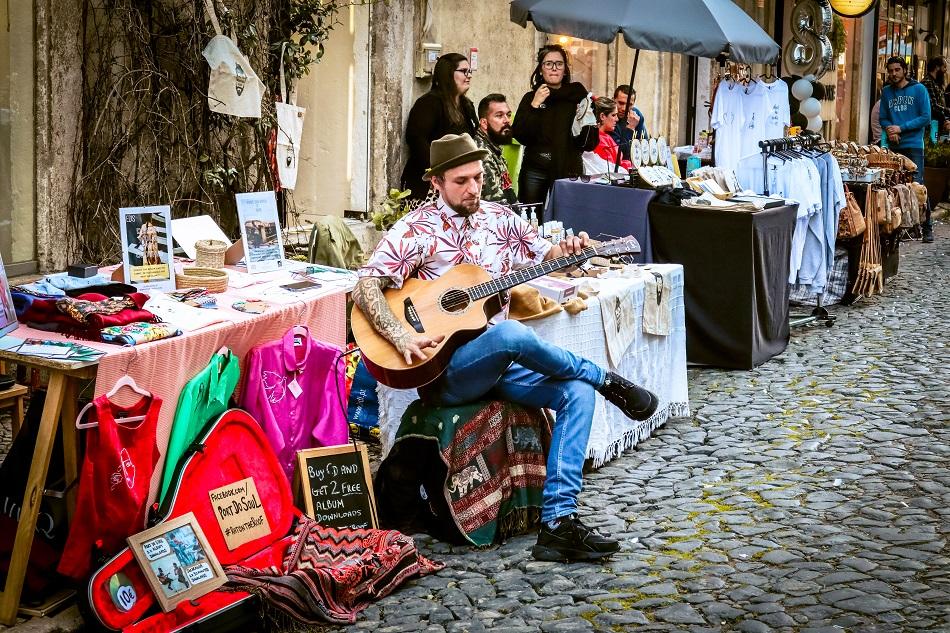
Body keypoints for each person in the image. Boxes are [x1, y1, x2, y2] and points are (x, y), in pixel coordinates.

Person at [353, 133, 659, 562]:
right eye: (461, 181)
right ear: (436, 182)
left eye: (478, 178)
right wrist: (401, 334)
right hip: (448, 372)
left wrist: (572, 251)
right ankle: (604, 377)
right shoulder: (416, 229)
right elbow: (365, 284)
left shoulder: (500, 218)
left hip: (501, 368)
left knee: (576, 393)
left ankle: (559, 523)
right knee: (510, 335)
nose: (473, 189)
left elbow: (549, 256)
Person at [512, 45, 599, 204]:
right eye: (548, 64)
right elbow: (521, 135)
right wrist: (535, 105)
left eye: (559, 64)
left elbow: (589, 143)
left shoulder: (578, 96)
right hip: (536, 169)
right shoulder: (531, 97)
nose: (554, 68)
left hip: (569, 169)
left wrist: (586, 117)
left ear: (565, 70)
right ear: (540, 69)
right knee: (531, 214)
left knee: (567, 214)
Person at [401, 53, 477, 202]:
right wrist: (438, 172)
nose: (469, 76)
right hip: (429, 184)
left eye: (469, 71)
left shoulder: (466, 105)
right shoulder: (429, 103)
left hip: (458, 183)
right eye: (463, 71)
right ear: (447, 74)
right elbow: (416, 139)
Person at [880, 56, 933, 242]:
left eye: (897, 70)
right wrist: (890, 129)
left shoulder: (919, 89)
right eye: (891, 70)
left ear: (905, 70)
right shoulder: (887, 92)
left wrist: (901, 128)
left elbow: (926, 117)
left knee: (917, 186)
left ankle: (927, 228)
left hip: (914, 145)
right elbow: (883, 117)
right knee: (895, 186)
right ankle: (902, 229)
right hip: (895, 146)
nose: (894, 74)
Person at [473, 94, 517, 204]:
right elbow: (496, 205)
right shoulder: (482, 155)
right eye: (499, 116)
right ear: (484, 123)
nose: (507, 120)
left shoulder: (494, 147)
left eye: (508, 115)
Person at [592, 97, 632, 171]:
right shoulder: (598, 140)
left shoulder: (606, 136)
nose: (617, 119)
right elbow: (611, 170)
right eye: (613, 115)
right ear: (602, 116)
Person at [611, 85, 648, 162]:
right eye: (621, 103)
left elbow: (644, 145)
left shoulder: (636, 116)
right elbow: (619, 152)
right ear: (613, 100)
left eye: (629, 104)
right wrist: (630, 128)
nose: (624, 108)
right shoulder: (608, 117)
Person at [921, 56, 950, 135]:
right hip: (930, 128)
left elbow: (941, 100)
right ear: (937, 67)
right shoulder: (927, 82)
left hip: (938, 126)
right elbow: (933, 106)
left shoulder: (936, 82)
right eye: (944, 67)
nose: (945, 70)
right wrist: (948, 111)